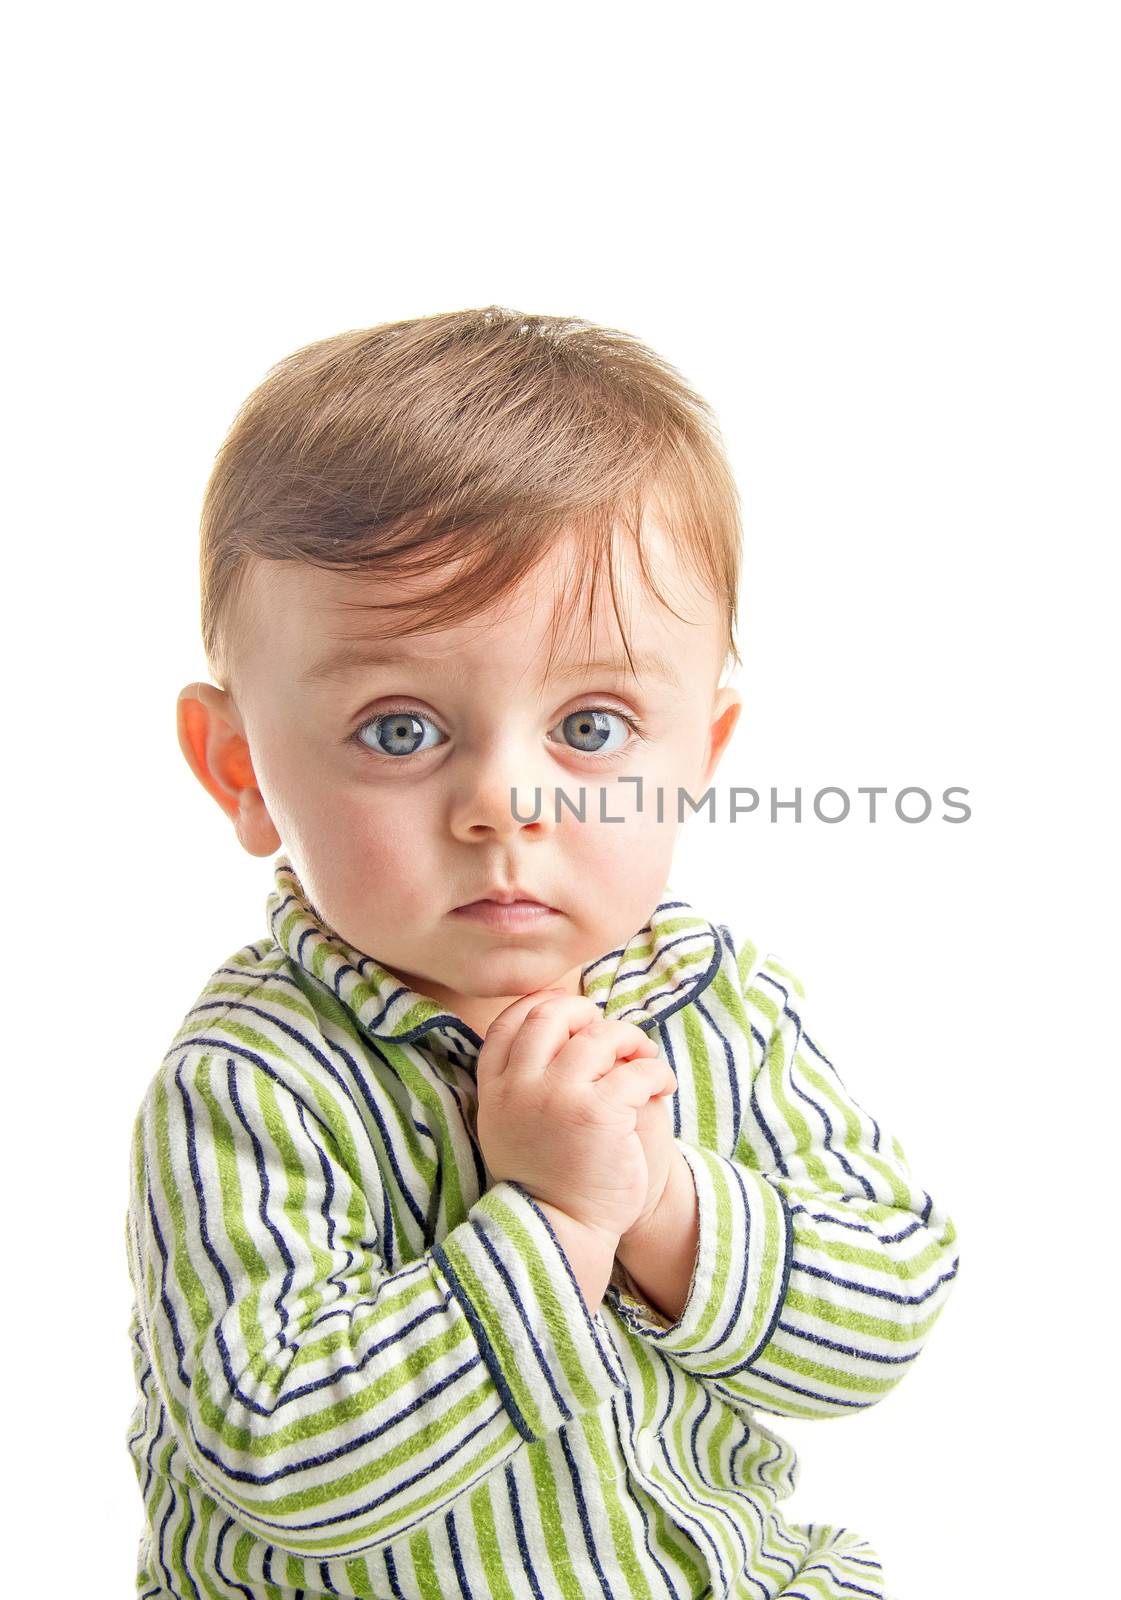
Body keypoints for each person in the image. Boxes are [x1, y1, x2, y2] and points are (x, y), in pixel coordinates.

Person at [126, 306, 962, 1600]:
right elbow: (281, 1457)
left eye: (590, 724)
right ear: (241, 770)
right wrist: (559, 1221)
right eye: (399, 730)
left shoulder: (718, 1005)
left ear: (697, 762)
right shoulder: (255, 1079)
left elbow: (884, 1312)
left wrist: (662, 1202)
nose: (507, 805)